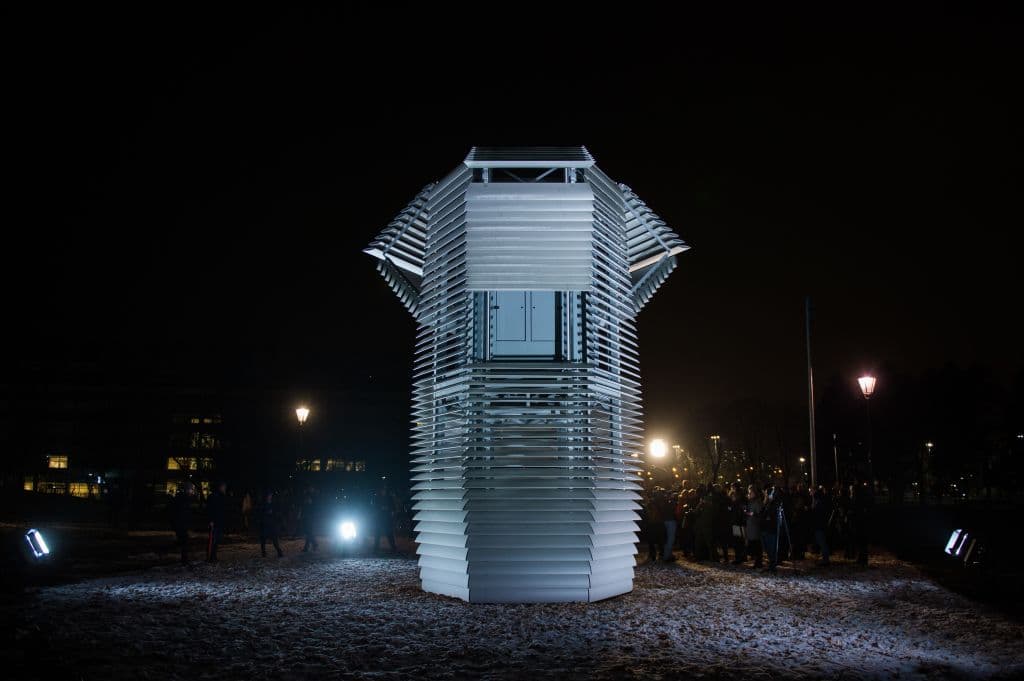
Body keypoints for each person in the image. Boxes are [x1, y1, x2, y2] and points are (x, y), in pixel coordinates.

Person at [170, 482, 195, 567]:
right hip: (181, 524)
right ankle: (184, 560)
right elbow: (182, 514)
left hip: (181, 524)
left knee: (184, 542)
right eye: (191, 489)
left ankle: (184, 559)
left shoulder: (182, 498)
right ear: (188, 490)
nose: (192, 491)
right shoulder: (184, 499)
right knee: (184, 542)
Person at [370, 485, 397, 553]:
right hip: (379, 517)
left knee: (389, 533)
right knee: (377, 533)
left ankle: (393, 547)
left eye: (384, 490)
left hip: (387, 517)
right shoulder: (377, 498)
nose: (383, 491)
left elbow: (393, 507)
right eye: (382, 490)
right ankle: (376, 547)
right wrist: (380, 509)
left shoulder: (389, 498)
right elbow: (374, 507)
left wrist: (388, 509)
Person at [259, 490, 284, 558]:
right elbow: (260, 513)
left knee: (274, 539)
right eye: (269, 495)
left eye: (271, 495)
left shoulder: (273, 503)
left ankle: (279, 552)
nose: (270, 496)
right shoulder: (263, 504)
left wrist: (274, 514)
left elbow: (276, 512)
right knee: (263, 539)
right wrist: (266, 512)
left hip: (272, 524)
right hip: (265, 524)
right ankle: (263, 553)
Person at [811, 486, 832, 566]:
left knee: (822, 541)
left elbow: (818, 513)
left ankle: (825, 559)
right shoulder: (820, 501)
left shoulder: (818, 502)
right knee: (821, 541)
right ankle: (825, 558)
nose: (810, 493)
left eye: (812, 491)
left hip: (819, 524)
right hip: (820, 524)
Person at [207, 481, 227, 563]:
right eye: (223, 487)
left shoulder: (220, 496)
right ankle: (210, 556)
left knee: (216, 540)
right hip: (215, 521)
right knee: (213, 539)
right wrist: (211, 520)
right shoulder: (214, 496)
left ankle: (213, 556)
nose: (224, 489)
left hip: (218, 521)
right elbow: (211, 509)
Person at [744, 484, 763, 569]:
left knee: (757, 544)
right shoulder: (750, 501)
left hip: (755, 526)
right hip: (750, 525)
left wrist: (753, 514)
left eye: (751, 492)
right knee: (753, 544)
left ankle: (758, 562)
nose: (749, 494)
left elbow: (759, 513)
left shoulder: (757, 502)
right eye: (749, 492)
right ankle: (756, 561)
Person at [300, 487, 319, 553]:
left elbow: (313, 508)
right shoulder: (308, 496)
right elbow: (304, 507)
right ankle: (312, 545)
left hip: (310, 517)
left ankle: (312, 545)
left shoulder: (312, 497)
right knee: (308, 532)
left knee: (308, 532)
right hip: (307, 517)